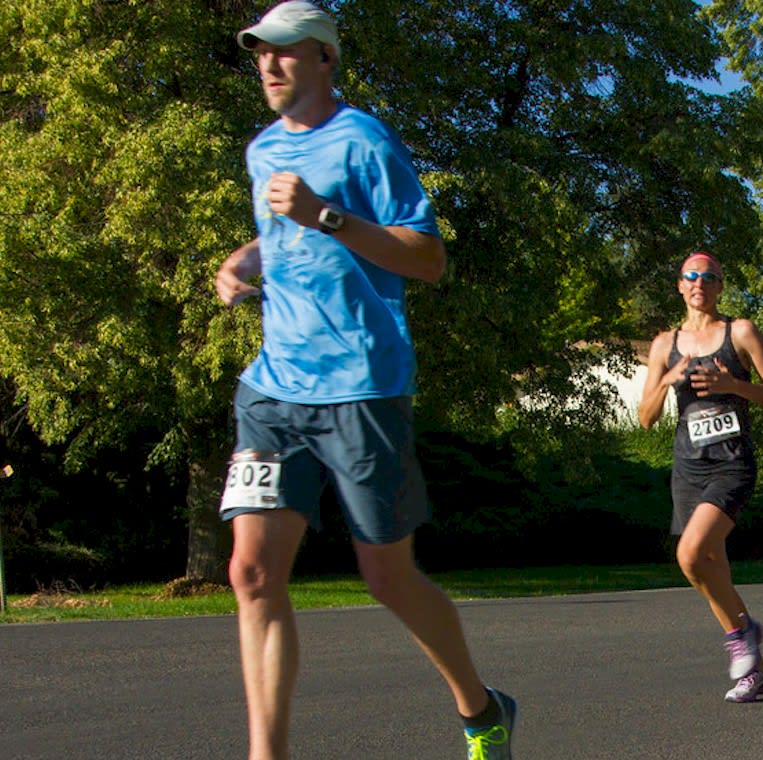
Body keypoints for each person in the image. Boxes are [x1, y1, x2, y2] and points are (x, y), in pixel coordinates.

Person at [214, 3, 515, 758]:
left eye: (285, 53)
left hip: (362, 387)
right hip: (274, 386)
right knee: (251, 571)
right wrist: (245, 258)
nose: (270, 66)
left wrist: (327, 217)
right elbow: (279, 227)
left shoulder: (366, 141)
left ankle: (481, 710)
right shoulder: (260, 152)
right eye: (261, 54)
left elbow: (426, 258)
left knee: (387, 576)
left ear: (324, 59)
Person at [637, 252, 763, 703]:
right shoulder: (665, 344)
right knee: (708, 567)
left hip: (731, 463)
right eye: (690, 275)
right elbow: (646, 418)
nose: (698, 282)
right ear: (679, 286)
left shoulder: (739, 332)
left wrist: (732, 386)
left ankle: (742, 633)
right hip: (689, 468)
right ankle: (754, 667)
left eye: (708, 276)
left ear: (720, 286)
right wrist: (668, 378)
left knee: (689, 555)